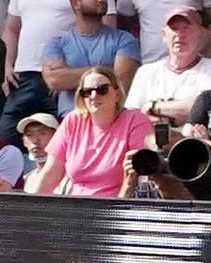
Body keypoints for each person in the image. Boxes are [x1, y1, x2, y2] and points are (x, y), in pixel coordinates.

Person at [31, 69, 149, 197]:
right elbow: (50, 173)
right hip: (77, 208)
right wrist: (28, 209)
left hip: (118, 206)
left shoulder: (135, 120)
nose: (93, 96)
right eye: (86, 92)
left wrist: (119, 207)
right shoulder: (72, 120)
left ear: (117, 94)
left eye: (101, 90)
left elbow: (138, 175)